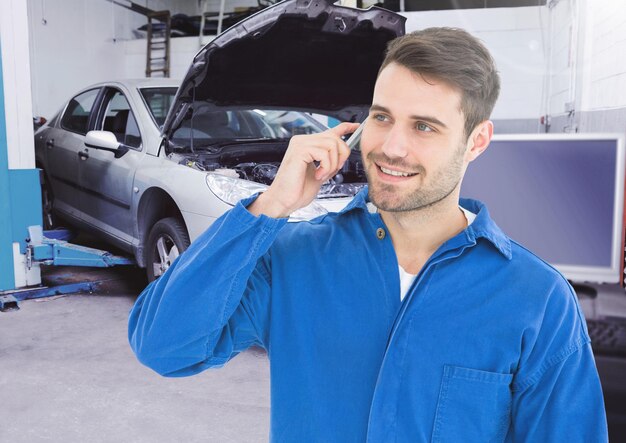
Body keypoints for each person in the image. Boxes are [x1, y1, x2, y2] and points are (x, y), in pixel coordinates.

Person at [128, 28, 608, 442]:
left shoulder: (536, 299)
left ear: (476, 142)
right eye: (382, 117)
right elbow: (162, 346)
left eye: (424, 126)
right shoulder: (295, 259)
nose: (392, 147)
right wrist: (270, 206)